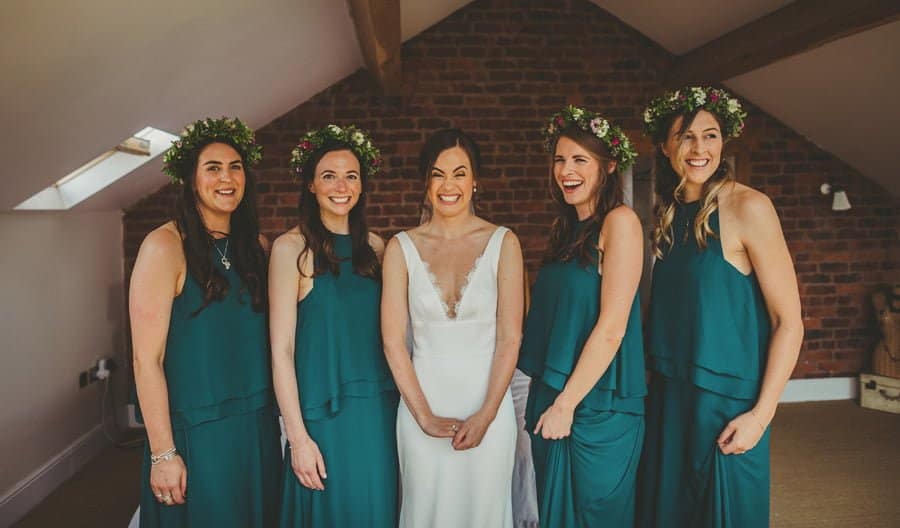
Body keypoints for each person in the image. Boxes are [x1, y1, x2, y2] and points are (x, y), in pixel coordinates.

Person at [637, 87, 803, 527]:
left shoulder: (750, 207)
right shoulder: (668, 213)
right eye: (686, 137)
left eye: (710, 136)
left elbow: (789, 322)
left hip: (727, 407)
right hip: (671, 400)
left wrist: (760, 417)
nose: (700, 149)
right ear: (665, 145)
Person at [130, 117, 281, 527]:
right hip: (198, 432)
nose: (227, 178)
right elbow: (146, 360)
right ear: (191, 179)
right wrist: (164, 453)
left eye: (235, 167)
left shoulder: (256, 247)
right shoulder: (164, 246)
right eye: (213, 167)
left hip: (257, 427)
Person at [381, 128, 523, 527]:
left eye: (459, 173)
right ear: (425, 182)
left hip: (488, 408)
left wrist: (487, 415)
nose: (449, 185)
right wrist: (424, 416)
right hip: (421, 408)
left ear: (475, 180)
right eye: (438, 173)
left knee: (485, 514)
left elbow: (511, 337)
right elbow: (393, 343)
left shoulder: (503, 242)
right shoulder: (401, 248)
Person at [517, 106, 646, 527]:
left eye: (579, 160)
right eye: (559, 159)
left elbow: (612, 327)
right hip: (551, 392)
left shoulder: (620, 223)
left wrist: (566, 404)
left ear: (608, 166)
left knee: (596, 515)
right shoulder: (565, 229)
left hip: (598, 402)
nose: (566, 170)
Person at [270, 124, 399, 527]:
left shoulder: (378, 248)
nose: (341, 185)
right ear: (310, 184)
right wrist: (298, 437)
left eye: (351, 175)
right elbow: (281, 350)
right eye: (329, 175)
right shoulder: (291, 249)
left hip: (379, 410)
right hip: (323, 415)